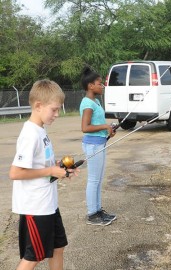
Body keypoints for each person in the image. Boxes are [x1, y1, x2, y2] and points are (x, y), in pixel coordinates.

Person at [9, 80, 79, 270]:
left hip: (49, 204)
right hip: (36, 207)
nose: (57, 114)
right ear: (38, 106)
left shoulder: (41, 130)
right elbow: (15, 172)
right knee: (34, 256)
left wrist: (58, 168)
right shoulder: (30, 134)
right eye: (54, 110)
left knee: (58, 247)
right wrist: (50, 171)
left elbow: (40, 165)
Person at [80, 66, 116, 226]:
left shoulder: (96, 101)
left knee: (99, 179)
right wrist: (104, 127)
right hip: (92, 146)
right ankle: (92, 214)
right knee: (93, 180)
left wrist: (108, 130)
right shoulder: (88, 103)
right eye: (99, 84)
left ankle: (98, 209)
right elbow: (85, 127)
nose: (102, 86)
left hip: (99, 143)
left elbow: (98, 124)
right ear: (90, 86)